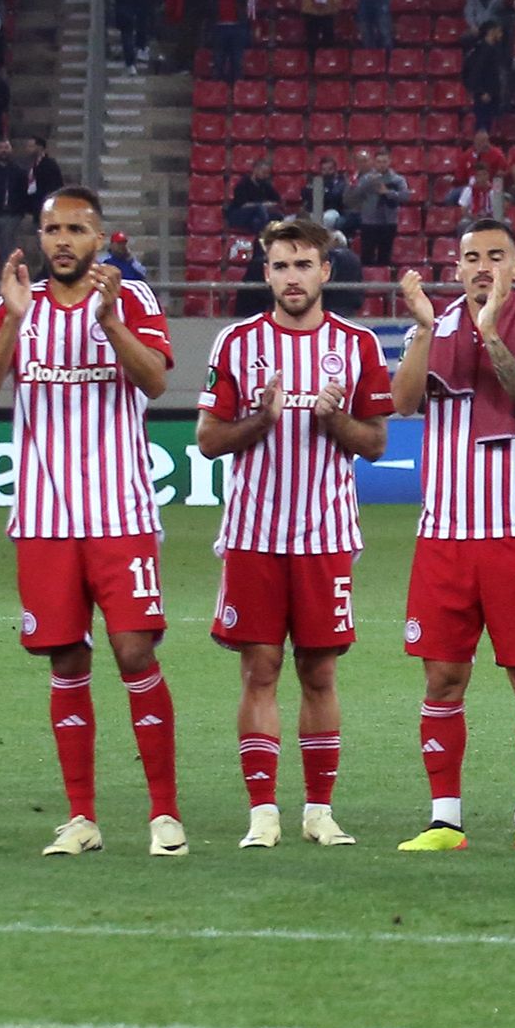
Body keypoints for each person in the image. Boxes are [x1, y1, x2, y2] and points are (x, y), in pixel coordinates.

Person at [0, 188, 180, 857]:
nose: (62, 240)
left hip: (120, 513)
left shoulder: (131, 299)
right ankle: (81, 816)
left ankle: (164, 814)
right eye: (52, 228)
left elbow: (155, 383)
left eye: (75, 229)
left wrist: (111, 324)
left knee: (134, 652)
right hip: (45, 518)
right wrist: (11, 323)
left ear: (99, 236)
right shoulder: (14, 302)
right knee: (66, 659)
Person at [196, 217, 394, 849]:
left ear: (326, 272)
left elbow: (376, 443)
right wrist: (261, 419)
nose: (291, 277)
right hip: (254, 533)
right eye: (280, 266)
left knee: (319, 674)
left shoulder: (358, 345)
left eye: (303, 265)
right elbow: (207, 441)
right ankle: (262, 812)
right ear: (266, 273)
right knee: (259, 669)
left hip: (327, 536)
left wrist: (334, 421)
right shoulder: (234, 343)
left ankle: (318, 810)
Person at [391, 217, 515, 853]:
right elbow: (406, 402)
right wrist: (419, 329)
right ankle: (445, 820)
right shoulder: (434, 327)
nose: (482, 267)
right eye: (471, 257)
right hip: (443, 536)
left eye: (496, 256)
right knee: (442, 678)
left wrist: (491, 333)